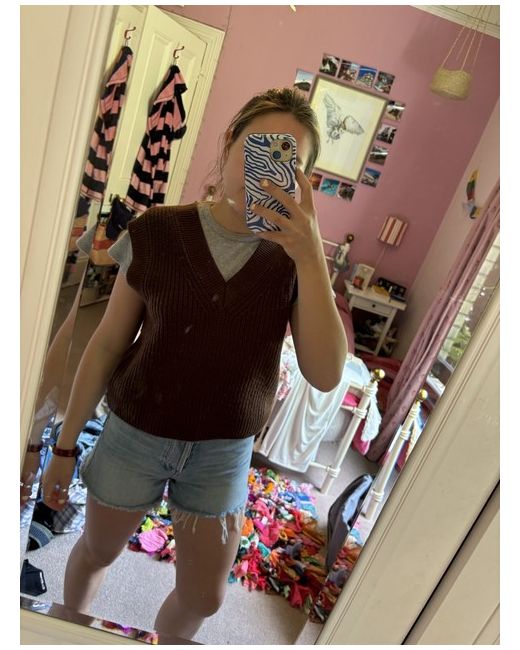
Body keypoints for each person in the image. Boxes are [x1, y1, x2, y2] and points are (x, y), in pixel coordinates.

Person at [40, 87, 348, 643]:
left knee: (206, 596)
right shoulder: (158, 230)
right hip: (135, 431)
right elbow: (106, 343)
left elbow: (325, 375)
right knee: (98, 550)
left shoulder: (295, 260)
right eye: (257, 148)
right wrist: (63, 448)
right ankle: (69, 631)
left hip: (222, 452)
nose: (265, 169)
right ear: (229, 144)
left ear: (304, 180)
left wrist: (310, 254)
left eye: (287, 161)